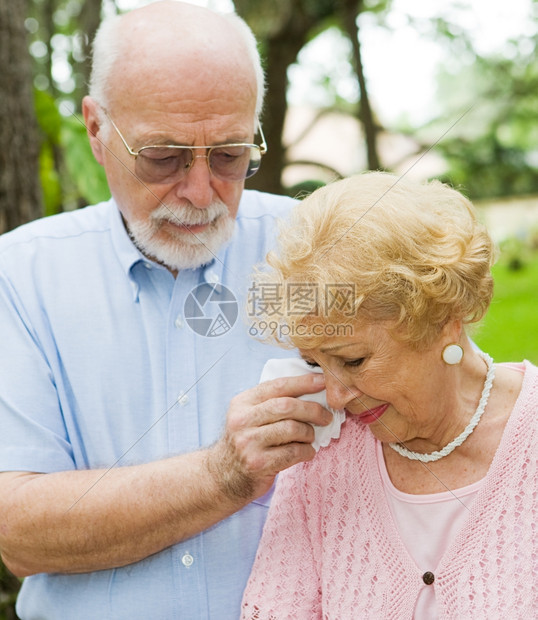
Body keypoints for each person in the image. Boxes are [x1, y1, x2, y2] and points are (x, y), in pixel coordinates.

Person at [0, 3, 334, 619]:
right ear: (97, 129)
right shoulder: (19, 277)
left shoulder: (317, 247)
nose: (201, 193)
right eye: (163, 158)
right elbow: (18, 531)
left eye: (231, 155)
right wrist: (224, 475)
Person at [241, 171, 538, 618]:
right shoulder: (321, 456)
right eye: (315, 363)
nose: (335, 397)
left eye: (354, 360)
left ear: (444, 319)